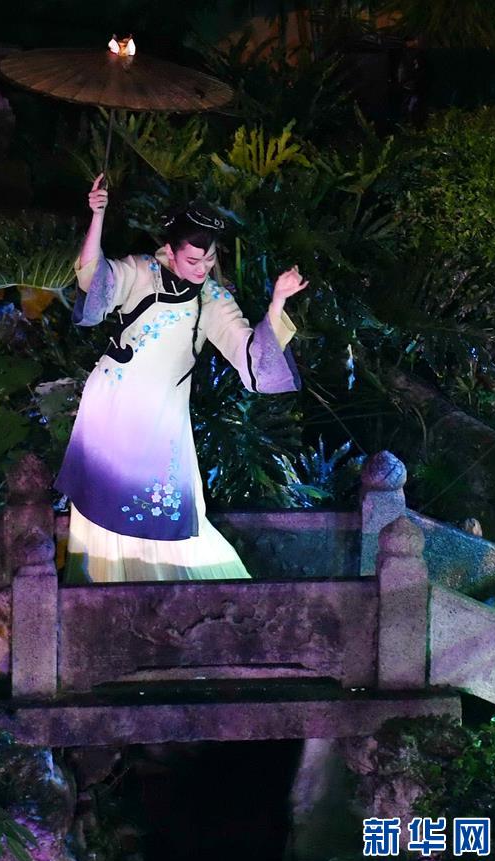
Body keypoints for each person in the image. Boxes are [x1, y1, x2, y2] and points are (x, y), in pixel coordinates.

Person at [55, 174, 308, 583]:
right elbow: (94, 280)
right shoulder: (140, 272)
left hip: (163, 419)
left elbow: (250, 356)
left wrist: (277, 302)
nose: (202, 269)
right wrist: (97, 216)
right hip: (111, 406)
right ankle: (102, 595)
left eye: (209, 261)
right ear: (170, 252)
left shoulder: (213, 299)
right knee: (100, 508)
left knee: (173, 516)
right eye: (193, 261)